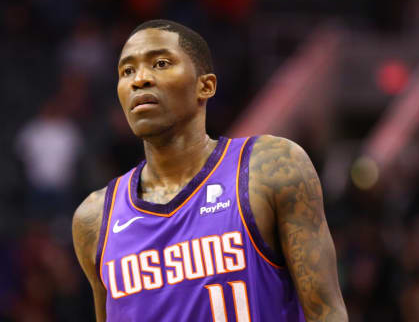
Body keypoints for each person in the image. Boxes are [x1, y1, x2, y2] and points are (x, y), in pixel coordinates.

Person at [72, 20, 347, 322]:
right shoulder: (95, 218)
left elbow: (327, 313)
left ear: (205, 86)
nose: (139, 79)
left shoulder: (269, 168)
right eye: (127, 71)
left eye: (160, 63)